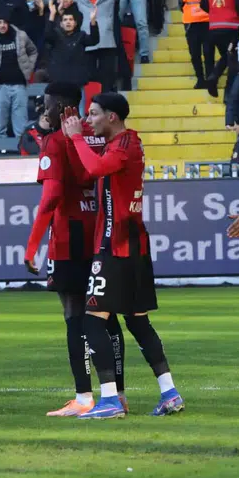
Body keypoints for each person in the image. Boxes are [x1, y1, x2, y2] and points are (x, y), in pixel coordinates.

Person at [60, 92, 183, 419]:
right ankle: (169, 393)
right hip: (132, 246)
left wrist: (76, 137)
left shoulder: (124, 146)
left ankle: (110, 400)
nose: (88, 120)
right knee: (138, 321)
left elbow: (96, 167)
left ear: (112, 116)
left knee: (91, 320)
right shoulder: (126, 143)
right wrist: (73, 138)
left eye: (93, 114)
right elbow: (89, 168)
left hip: (115, 246)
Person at [23, 82, 126, 416]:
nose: (45, 111)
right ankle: (118, 394)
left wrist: (32, 246)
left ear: (61, 106)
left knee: (74, 315)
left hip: (70, 237)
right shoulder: (100, 133)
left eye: (48, 105)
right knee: (106, 314)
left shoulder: (55, 141)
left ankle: (84, 398)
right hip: (102, 233)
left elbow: (51, 197)